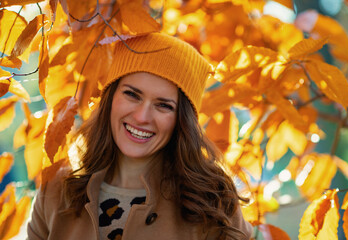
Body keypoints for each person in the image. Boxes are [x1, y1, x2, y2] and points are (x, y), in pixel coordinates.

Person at [27, 32, 253, 240]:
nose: (142, 117)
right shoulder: (57, 190)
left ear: (181, 120)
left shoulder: (211, 201)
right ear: (110, 97)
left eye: (163, 106)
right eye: (132, 95)